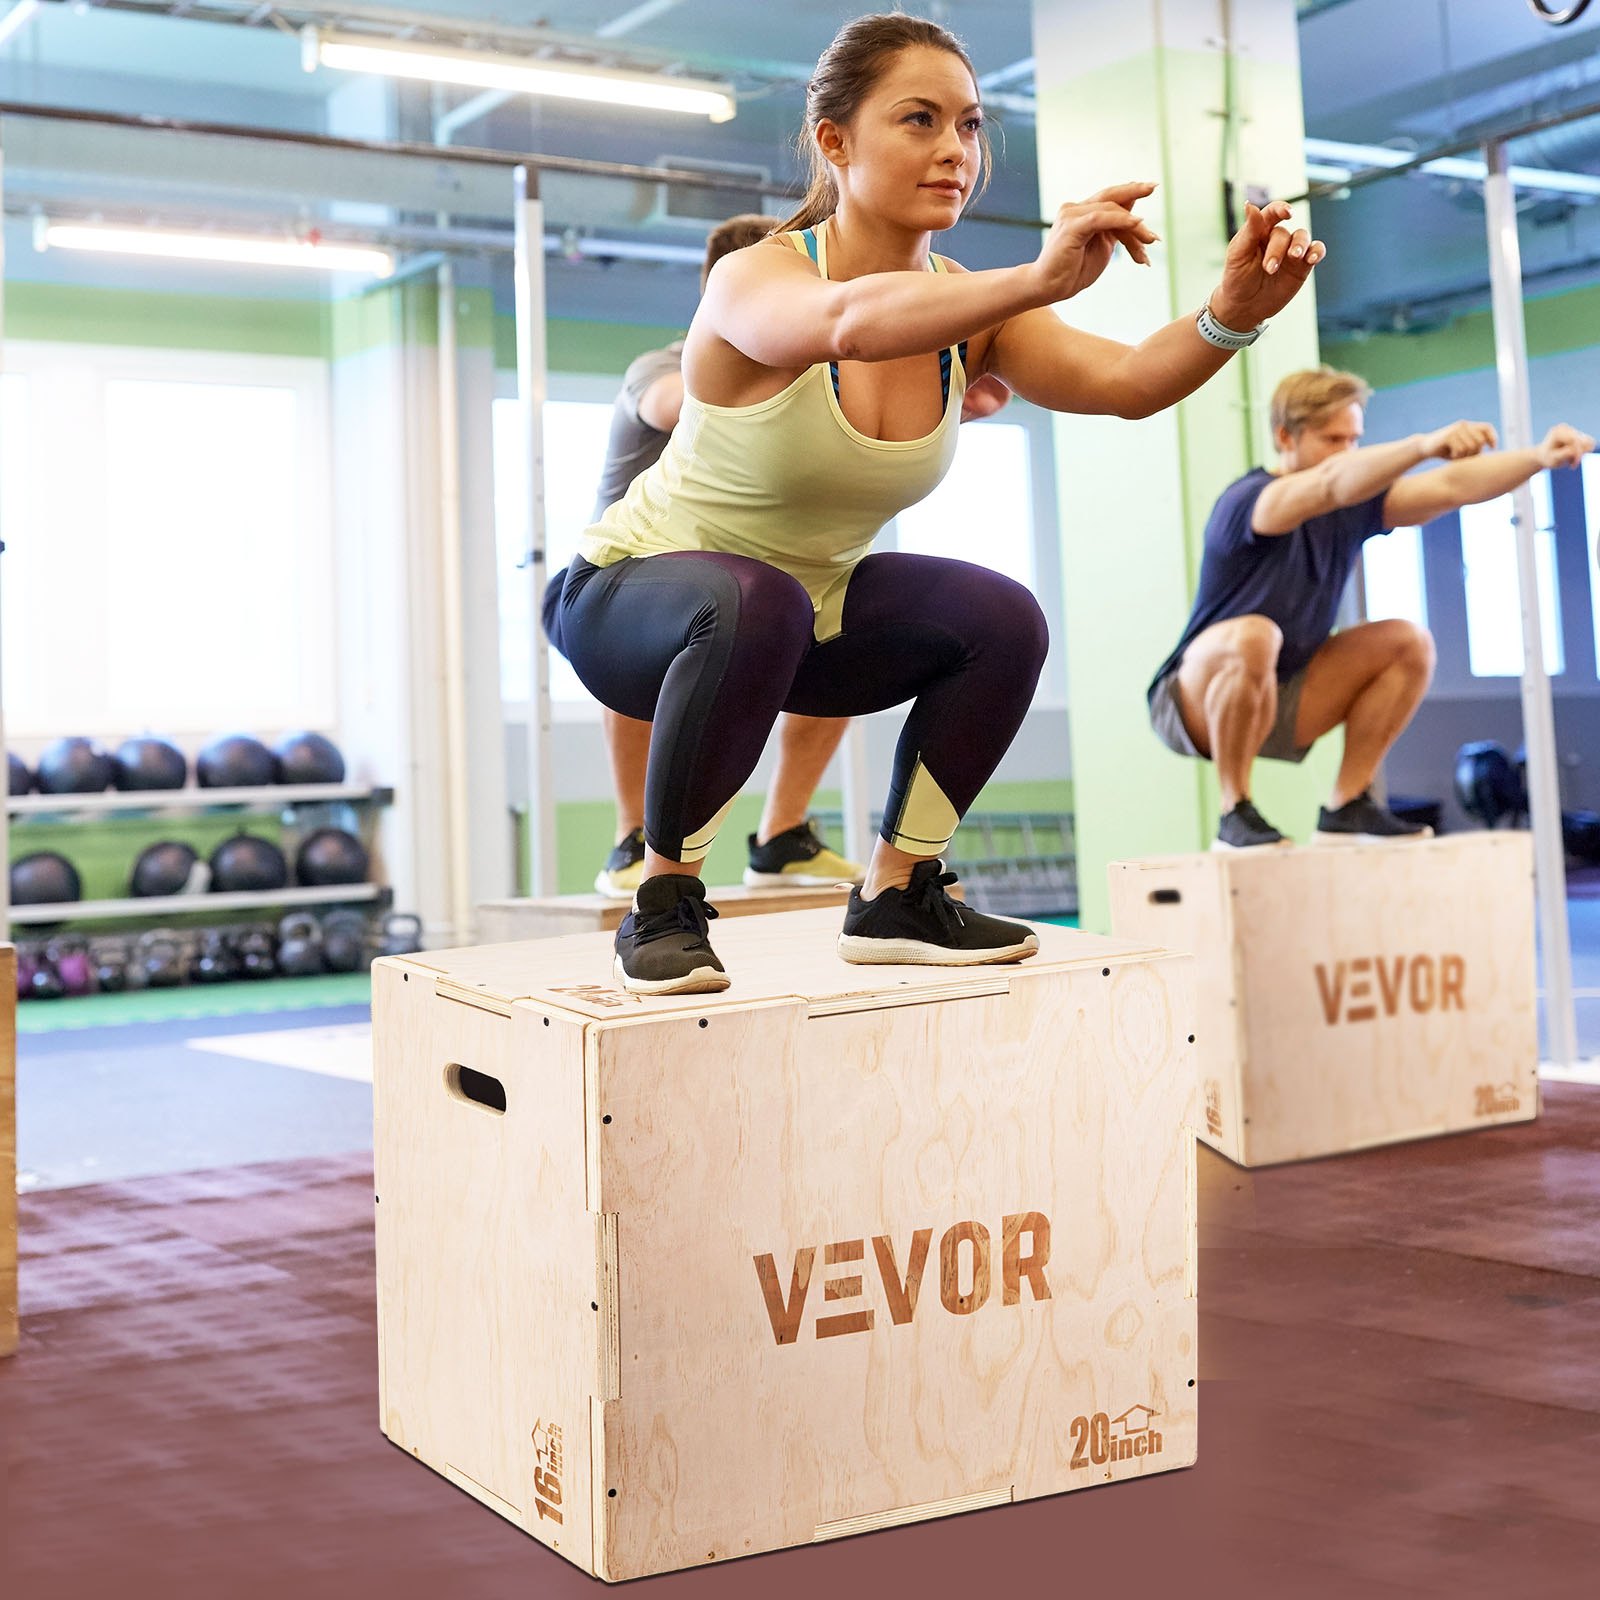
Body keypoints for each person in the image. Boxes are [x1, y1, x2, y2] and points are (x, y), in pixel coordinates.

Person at [551, 11, 1324, 993]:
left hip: (797, 616)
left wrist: (1229, 317)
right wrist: (1037, 275)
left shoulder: (970, 312)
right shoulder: (760, 277)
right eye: (918, 120)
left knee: (999, 617)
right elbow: (848, 322)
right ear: (834, 140)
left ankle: (897, 892)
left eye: (968, 126)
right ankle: (662, 900)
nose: (954, 151)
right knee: (757, 598)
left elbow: (1129, 382)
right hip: (627, 601)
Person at [543, 214, 865, 898]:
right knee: (662, 637)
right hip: (606, 587)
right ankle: (633, 838)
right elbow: (675, 406)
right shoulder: (662, 367)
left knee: (839, 623)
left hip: (743, 595)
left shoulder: (809, 374)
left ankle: (782, 838)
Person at [1147, 365, 1594, 850]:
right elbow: (1329, 486)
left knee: (1408, 642)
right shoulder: (1250, 500)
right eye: (1332, 439)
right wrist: (1422, 445)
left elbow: (1450, 488)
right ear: (1285, 437)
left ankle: (1346, 807)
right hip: (1192, 702)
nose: (1347, 453)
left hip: (1284, 695)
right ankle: (1235, 811)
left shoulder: (1355, 505)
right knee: (1256, 634)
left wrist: (1539, 457)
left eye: (1354, 440)